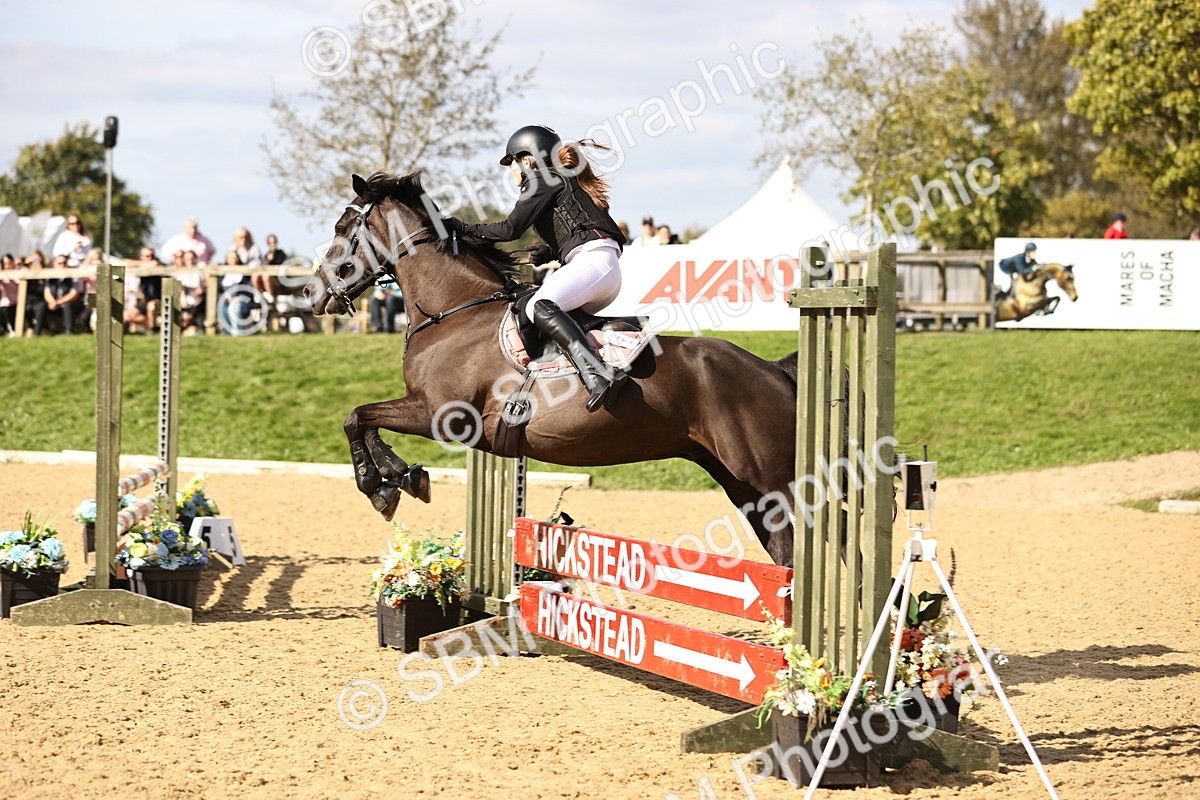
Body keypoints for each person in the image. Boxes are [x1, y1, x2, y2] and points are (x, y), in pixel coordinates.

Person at [444, 124, 627, 412]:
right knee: (532, 306)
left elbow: (509, 229)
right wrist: (552, 251)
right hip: (599, 265)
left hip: (594, 262)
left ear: (528, 158)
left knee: (540, 305)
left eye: (515, 161)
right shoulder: (562, 179)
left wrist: (461, 228)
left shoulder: (542, 179)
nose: (514, 170)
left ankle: (596, 374)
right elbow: (582, 226)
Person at [37, 254, 85, 334]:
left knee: (68, 305)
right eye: (60, 263)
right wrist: (52, 302)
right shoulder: (50, 276)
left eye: (64, 263)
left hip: (71, 304)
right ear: (55, 264)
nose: (63, 265)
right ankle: (38, 332)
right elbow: (47, 292)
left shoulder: (73, 275)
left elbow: (74, 294)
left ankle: (69, 332)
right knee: (41, 305)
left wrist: (58, 302)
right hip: (54, 304)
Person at [256, 233, 287, 302]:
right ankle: (257, 296)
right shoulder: (266, 256)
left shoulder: (281, 254)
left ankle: (271, 299)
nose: (272, 244)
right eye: (270, 242)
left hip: (279, 281)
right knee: (257, 276)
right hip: (266, 280)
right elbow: (262, 267)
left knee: (266, 276)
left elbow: (284, 267)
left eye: (274, 242)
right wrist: (268, 260)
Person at [0, 253, 18, 336]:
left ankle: (12, 329)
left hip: (15, 303)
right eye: (5, 264)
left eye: (9, 264)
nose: (7, 267)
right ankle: (5, 330)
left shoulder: (17, 274)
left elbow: (19, 289)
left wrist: (10, 281)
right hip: (3, 304)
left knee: (6, 308)